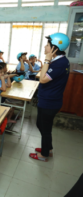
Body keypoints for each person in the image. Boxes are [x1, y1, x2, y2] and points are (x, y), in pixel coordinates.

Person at [30, 33, 70, 162]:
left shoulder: (59, 63)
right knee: (42, 125)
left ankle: (44, 155)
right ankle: (49, 148)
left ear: (55, 48)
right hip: (48, 100)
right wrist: (48, 61)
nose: (45, 47)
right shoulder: (59, 61)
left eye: (47, 45)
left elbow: (42, 79)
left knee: (44, 127)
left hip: (49, 102)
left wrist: (46, 60)